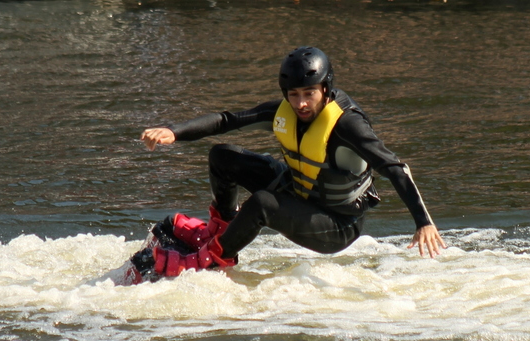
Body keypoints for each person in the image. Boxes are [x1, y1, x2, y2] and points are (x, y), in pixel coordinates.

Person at [140, 46, 446, 277]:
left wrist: (423, 222)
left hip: (335, 223)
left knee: (261, 203)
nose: (300, 103)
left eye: (309, 93)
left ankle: (211, 261)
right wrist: (174, 132)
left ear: (325, 90)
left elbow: (394, 167)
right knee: (223, 156)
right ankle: (219, 232)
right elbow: (226, 120)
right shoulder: (284, 111)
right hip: (299, 190)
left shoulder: (347, 126)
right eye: (293, 94)